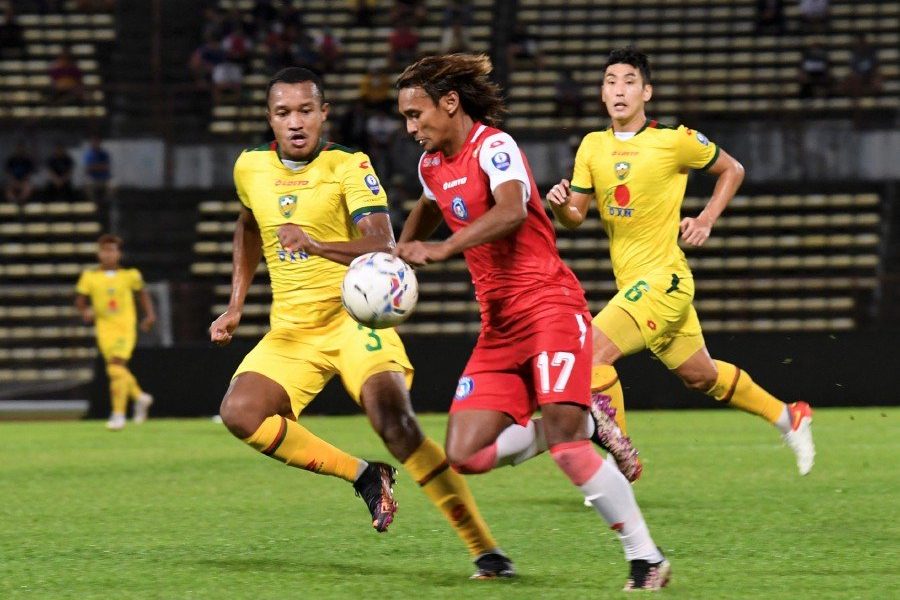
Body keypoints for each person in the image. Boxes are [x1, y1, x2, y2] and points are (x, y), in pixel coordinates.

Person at [209, 67, 514, 579]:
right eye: (284, 113)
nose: (296, 122)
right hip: (292, 331)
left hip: (356, 323)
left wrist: (315, 243)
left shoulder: (348, 165)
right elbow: (248, 225)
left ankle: (484, 548)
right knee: (240, 413)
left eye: (306, 110)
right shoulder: (249, 168)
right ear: (270, 119)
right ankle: (364, 475)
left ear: (324, 114)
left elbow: (381, 242)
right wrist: (236, 303)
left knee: (394, 421)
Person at [395, 53, 670, 591]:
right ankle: (581, 419)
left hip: (550, 307)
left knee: (569, 452)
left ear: (450, 103)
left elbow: (512, 209)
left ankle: (646, 558)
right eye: (405, 117)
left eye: (415, 114)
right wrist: (400, 249)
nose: (410, 127)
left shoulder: (493, 147)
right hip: (499, 326)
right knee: (465, 454)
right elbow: (428, 206)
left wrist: (445, 247)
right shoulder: (431, 165)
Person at [544, 48, 815, 479]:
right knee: (700, 376)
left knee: (588, 353)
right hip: (638, 286)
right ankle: (790, 417)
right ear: (601, 92)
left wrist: (706, 218)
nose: (619, 89)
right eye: (611, 81)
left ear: (646, 92)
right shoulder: (592, 147)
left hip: (664, 280)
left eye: (629, 81)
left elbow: (733, 169)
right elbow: (575, 218)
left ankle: (620, 460)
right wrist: (559, 206)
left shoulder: (674, 141)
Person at [76, 234, 155, 431]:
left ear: (118, 253)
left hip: (125, 328)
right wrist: (85, 311)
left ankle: (118, 415)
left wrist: (149, 315)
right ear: (98, 253)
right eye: (104, 250)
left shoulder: (130, 275)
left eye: (112, 250)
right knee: (115, 369)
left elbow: (142, 294)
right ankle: (140, 397)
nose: (108, 254)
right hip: (104, 329)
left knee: (115, 366)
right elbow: (80, 299)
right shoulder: (89, 277)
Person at [83, 136, 112, 204]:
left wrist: (94, 166)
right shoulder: (88, 154)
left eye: (97, 142)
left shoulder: (104, 154)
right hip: (92, 178)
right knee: (87, 185)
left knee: (114, 185)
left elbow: (107, 167)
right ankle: (93, 202)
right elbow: (87, 168)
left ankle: (105, 202)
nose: (95, 143)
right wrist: (99, 166)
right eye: (93, 142)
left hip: (104, 178)